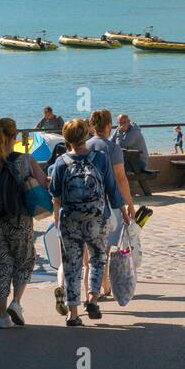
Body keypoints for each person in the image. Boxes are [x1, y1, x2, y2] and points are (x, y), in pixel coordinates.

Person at [48, 119, 129, 327]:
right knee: (97, 259)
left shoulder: (61, 162)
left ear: (67, 138)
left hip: (70, 220)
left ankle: (72, 314)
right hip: (96, 219)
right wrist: (123, 210)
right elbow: (112, 187)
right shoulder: (100, 158)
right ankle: (93, 298)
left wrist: (57, 220)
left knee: (72, 265)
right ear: (85, 136)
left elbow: (55, 195)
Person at [0, 118, 44, 329]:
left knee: (0, 265)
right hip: (19, 219)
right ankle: (17, 302)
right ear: (15, 137)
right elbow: (42, 182)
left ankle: (2, 315)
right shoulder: (24, 160)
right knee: (25, 260)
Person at [87, 109, 135, 302]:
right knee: (105, 247)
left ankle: (94, 287)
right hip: (108, 203)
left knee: (89, 249)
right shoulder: (113, 148)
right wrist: (129, 203)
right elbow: (121, 179)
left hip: (86, 202)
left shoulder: (84, 146)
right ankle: (102, 286)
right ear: (109, 126)